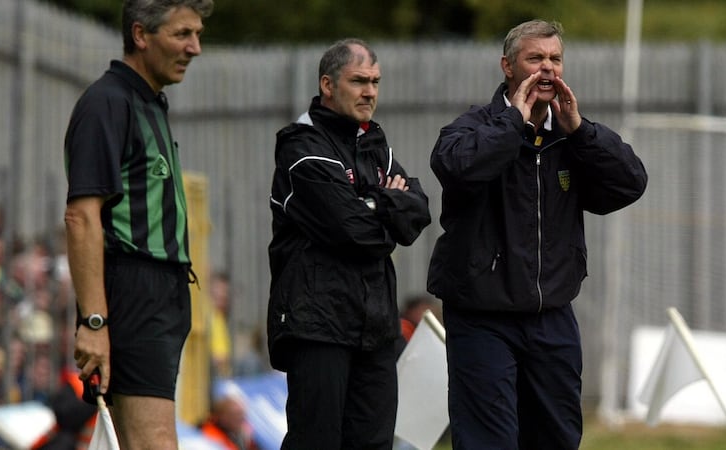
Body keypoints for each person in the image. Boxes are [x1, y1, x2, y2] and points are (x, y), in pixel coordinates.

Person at [427, 20, 648, 449]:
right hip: (482, 317)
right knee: (488, 441)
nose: (547, 69)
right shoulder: (471, 128)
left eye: (555, 59)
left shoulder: (571, 137)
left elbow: (630, 182)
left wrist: (582, 132)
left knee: (557, 437)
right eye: (535, 59)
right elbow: (456, 168)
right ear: (507, 66)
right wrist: (513, 124)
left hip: (552, 317)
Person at [267, 38, 432, 450]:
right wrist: (383, 203)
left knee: (375, 444)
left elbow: (418, 213)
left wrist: (371, 204)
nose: (370, 91)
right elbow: (352, 230)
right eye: (359, 81)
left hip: (375, 326)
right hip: (317, 324)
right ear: (328, 84)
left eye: (375, 81)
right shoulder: (302, 147)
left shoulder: (374, 143)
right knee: (317, 442)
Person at [63, 1, 213, 448]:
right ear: (141, 35)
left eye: (198, 34)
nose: (195, 48)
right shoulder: (107, 102)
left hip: (161, 293)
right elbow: (81, 216)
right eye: (182, 34)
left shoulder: (150, 103)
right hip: (133, 291)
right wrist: (93, 321)